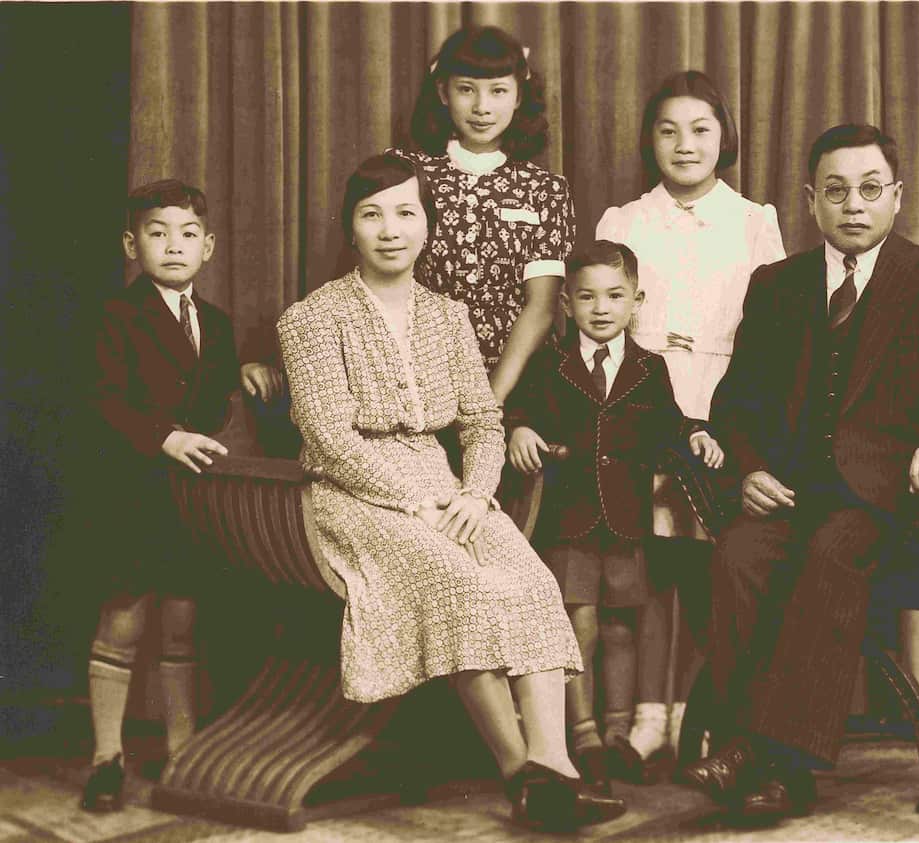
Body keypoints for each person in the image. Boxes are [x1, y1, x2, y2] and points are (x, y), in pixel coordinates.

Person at [275, 153, 623, 832]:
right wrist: (416, 501)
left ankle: (554, 769)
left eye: (406, 212)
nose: (390, 229)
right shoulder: (312, 318)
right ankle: (518, 770)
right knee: (466, 586)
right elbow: (329, 439)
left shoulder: (447, 315)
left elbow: (482, 421)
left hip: (446, 485)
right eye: (372, 214)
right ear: (351, 228)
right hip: (355, 496)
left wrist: (475, 492)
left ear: (428, 225)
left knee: (531, 579)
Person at [679, 123, 919, 825]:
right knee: (740, 553)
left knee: (832, 548)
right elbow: (734, 404)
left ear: (897, 197)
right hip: (794, 494)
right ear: (810, 201)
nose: (852, 205)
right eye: (835, 191)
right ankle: (775, 770)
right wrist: (749, 468)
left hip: (896, 508)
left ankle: (753, 752)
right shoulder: (777, 285)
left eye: (868, 190)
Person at [595, 70, 785, 779]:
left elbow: (771, 332)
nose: (685, 144)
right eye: (668, 130)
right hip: (645, 405)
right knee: (649, 565)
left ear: (724, 136)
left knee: (714, 567)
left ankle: (703, 717)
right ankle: (649, 719)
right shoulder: (625, 220)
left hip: (725, 406)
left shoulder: (754, 220)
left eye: (701, 129)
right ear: (650, 140)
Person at [83, 179, 278, 811]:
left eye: (188, 234)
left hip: (192, 500)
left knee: (181, 626)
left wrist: (244, 372)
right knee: (124, 619)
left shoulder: (216, 324)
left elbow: (213, 388)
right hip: (132, 490)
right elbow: (104, 400)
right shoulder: (115, 316)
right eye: (157, 233)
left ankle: (182, 751)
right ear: (131, 244)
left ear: (209, 246)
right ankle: (106, 757)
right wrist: (164, 438)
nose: (173, 246)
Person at [504, 240, 724, 797]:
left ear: (636, 301)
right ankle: (583, 738)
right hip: (566, 519)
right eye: (586, 297)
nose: (601, 308)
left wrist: (696, 433)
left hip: (625, 521)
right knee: (576, 624)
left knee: (622, 626)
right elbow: (520, 410)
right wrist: (520, 430)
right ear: (567, 306)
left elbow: (670, 424)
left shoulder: (650, 368)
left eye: (614, 296)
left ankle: (620, 734)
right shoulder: (550, 362)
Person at [391, 25, 573, 403]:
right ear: (443, 92)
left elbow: (541, 307)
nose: (482, 108)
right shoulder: (406, 173)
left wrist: (491, 401)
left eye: (498, 91)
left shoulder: (546, 190)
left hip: (518, 384)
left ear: (519, 96)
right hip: (417, 375)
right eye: (466, 89)